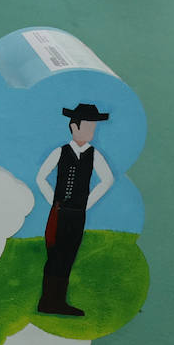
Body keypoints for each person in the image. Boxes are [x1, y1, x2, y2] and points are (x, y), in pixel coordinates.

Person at [35, 104, 115, 317]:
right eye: (88, 128)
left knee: (68, 256)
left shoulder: (94, 155)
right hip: (59, 213)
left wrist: (87, 203)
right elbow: (41, 177)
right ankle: (47, 300)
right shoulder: (60, 152)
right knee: (54, 255)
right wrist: (54, 201)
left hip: (78, 215)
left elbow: (107, 179)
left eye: (93, 129)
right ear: (74, 127)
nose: (91, 133)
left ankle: (57, 301)